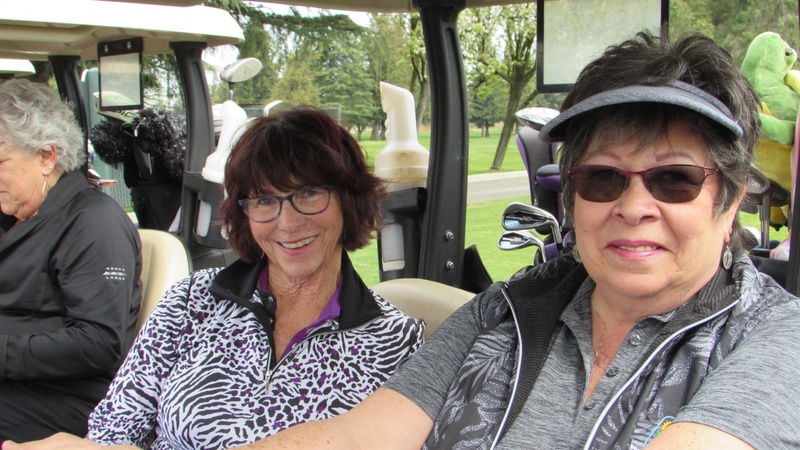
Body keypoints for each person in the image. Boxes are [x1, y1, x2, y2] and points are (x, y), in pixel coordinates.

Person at [233, 30, 800, 448]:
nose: (633, 208)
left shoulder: (772, 339)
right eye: (602, 178)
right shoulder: (507, 311)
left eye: (673, 179)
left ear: (729, 200)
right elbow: (359, 436)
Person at [3, 106, 426, 449]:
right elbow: (113, 428)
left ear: (349, 198)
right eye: (264, 200)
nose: (287, 222)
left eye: (309, 193)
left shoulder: (396, 344)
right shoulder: (192, 301)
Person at [0, 79, 142, 440]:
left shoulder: (93, 222)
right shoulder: (11, 217)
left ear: (46, 157)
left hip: (68, 397)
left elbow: (99, 343)